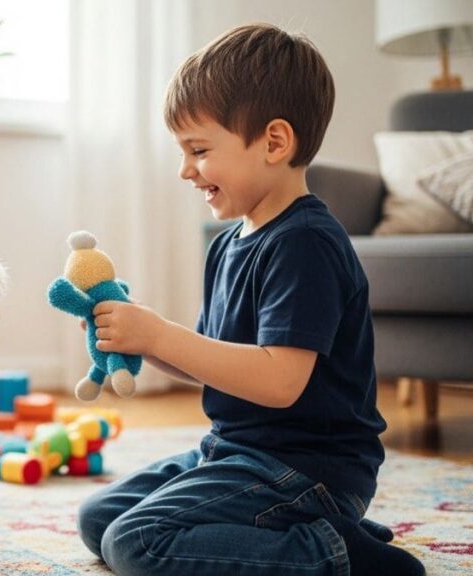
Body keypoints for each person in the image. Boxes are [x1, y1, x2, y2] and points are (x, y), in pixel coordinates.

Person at [76, 23, 425, 576]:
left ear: (274, 142)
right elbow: (217, 364)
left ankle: (335, 555)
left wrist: (161, 334)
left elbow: (277, 382)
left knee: (136, 541)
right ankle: (312, 530)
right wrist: (140, 337)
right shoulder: (228, 243)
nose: (185, 170)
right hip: (235, 451)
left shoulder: (305, 243)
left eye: (199, 150)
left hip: (306, 468)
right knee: (98, 519)